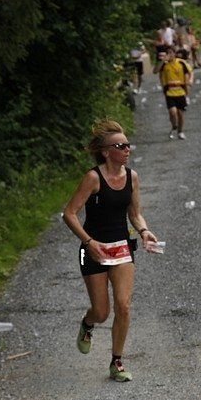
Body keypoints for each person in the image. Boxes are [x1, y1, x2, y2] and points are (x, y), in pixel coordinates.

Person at [63, 119, 159, 383]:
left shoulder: (132, 177)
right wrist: (88, 242)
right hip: (92, 250)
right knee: (102, 312)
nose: (127, 149)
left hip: (121, 248)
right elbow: (69, 214)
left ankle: (116, 361)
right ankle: (88, 323)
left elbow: (135, 214)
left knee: (123, 306)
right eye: (121, 146)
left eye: (128, 145)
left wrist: (144, 231)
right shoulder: (93, 178)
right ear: (106, 152)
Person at [155, 47, 192, 140]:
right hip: (169, 92)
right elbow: (155, 71)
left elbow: (188, 74)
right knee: (172, 112)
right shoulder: (164, 64)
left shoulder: (181, 63)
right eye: (167, 53)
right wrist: (162, 61)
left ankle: (180, 131)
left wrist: (187, 92)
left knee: (180, 113)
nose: (169, 55)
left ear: (174, 53)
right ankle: (174, 125)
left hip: (180, 91)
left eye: (171, 53)